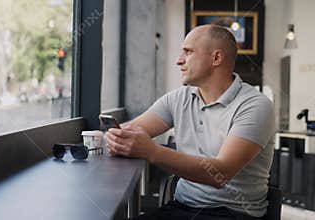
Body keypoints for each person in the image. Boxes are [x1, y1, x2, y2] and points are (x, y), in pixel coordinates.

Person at [105, 24, 275, 220]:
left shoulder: (255, 106)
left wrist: (151, 151)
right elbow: (131, 131)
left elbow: (220, 174)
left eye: (188, 52)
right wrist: (113, 136)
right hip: (182, 207)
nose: (179, 60)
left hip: (232, 213)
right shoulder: (179, 98)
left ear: (216, 58)